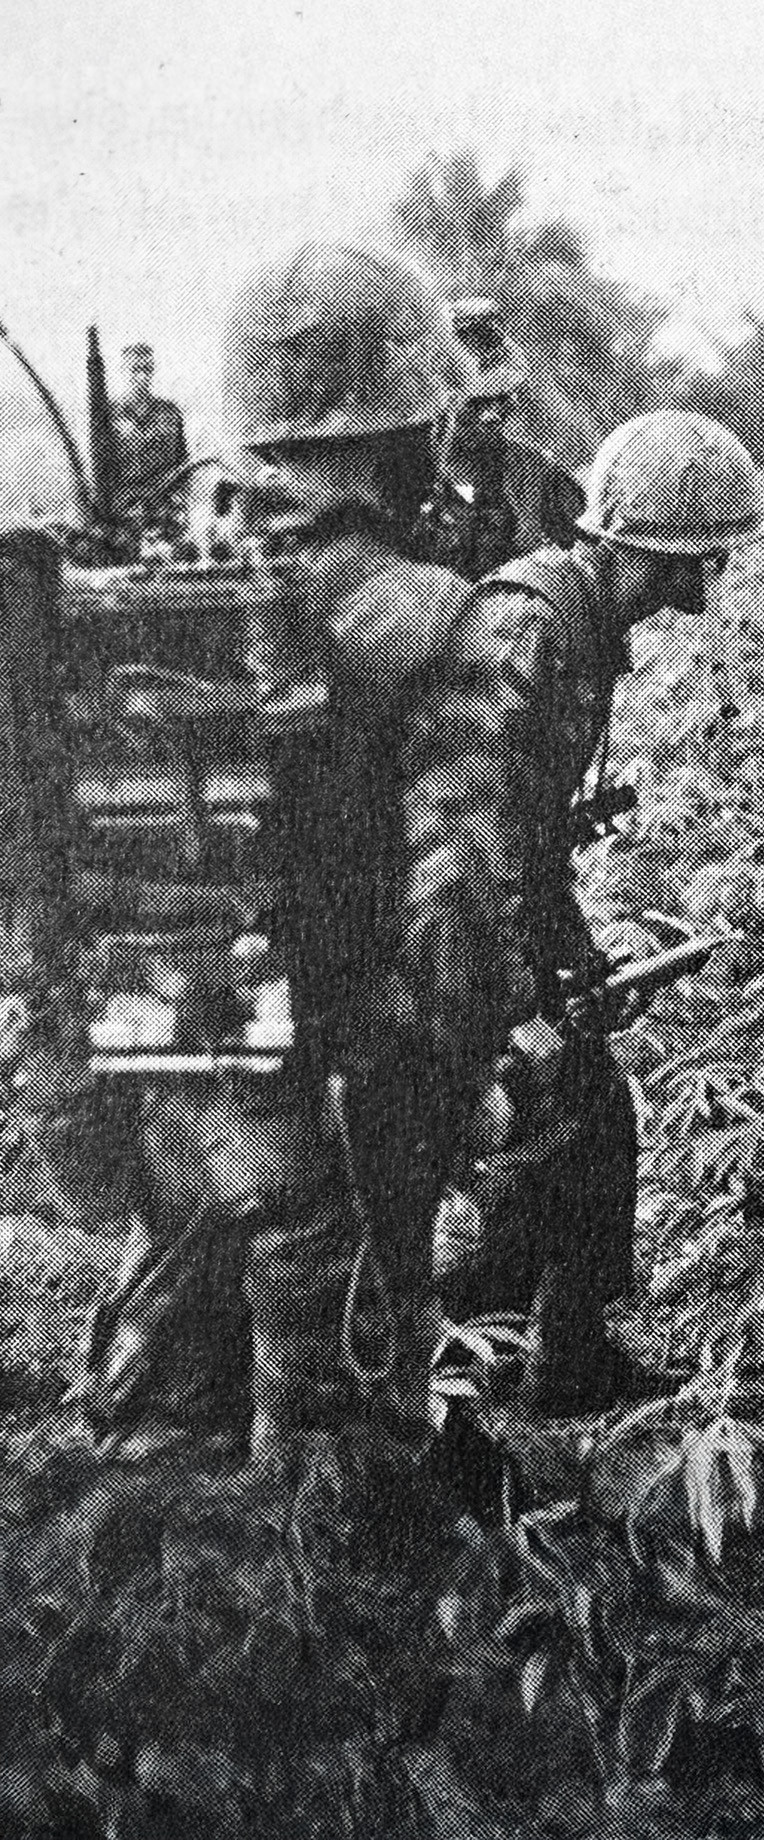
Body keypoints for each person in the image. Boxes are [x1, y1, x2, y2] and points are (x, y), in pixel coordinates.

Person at [79, 245, 519, 1461]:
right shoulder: (430, 618)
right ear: (406, 430)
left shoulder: (147, 599)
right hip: (341, 1086)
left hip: (161, 1054)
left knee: (162, 1437)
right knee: (343, 1451)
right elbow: (458, 909)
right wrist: (457, 1084)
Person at [435, 406, 762, 1413]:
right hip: (446, 933)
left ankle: (567, 1363)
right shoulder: (530, 628)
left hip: (502, 921)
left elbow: (535, 838)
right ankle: (466, 1375)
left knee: (592, 1118)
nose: (711, 577)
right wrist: (516, 1004)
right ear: (658, 553)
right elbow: (473, 837)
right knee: (531, 1134)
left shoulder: (584, 629)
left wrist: (577, 958)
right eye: (703, 555)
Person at [428, 300, 584, 580]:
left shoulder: (537, 474)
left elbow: (586, 556)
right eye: (477, 403)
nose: (492, 415)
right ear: (440, 402)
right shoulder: (405, 476)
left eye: (503, 399)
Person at [110, 342, 189, 523]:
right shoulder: (108, 414)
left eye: (147, 370)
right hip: (122, 507)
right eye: (134, 370)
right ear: (122, 371)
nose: (142, 377)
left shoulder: (170, 413)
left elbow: (181, 463)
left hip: (163, 505)